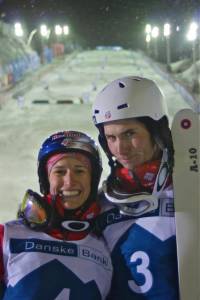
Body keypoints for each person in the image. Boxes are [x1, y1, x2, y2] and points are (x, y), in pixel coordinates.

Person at [92, 76, 179, 299]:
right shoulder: (101, 204)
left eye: (130, 134)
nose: (120, 148)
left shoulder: (189, 189)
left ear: (157, 132)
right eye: (111, 137)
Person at [0, 130, 112, 300]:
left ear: (93, 179)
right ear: (46, 180)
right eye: (59, 172)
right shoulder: (7, 236)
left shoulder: (106, 247)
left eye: (80, 171)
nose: (69, 181)